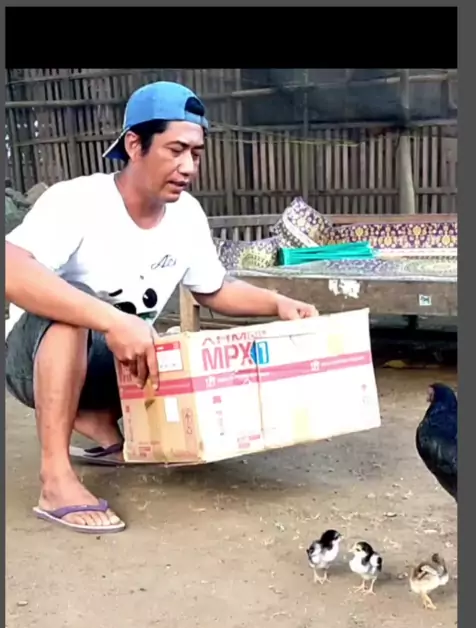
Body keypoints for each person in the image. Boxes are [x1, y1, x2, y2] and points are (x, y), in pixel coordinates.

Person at [5, 80, 318, 535]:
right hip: (31, 360)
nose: (188, 166)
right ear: (135, 145)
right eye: (175, 150)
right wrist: (113, 320)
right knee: (74, 316)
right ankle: (55, 479)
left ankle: (98, 422)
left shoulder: (186, 215)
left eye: (196, 153)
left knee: (172, 345)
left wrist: (278, 303)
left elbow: (214, 288)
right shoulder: (78, 201)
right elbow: (11, 268)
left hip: (115, 364)